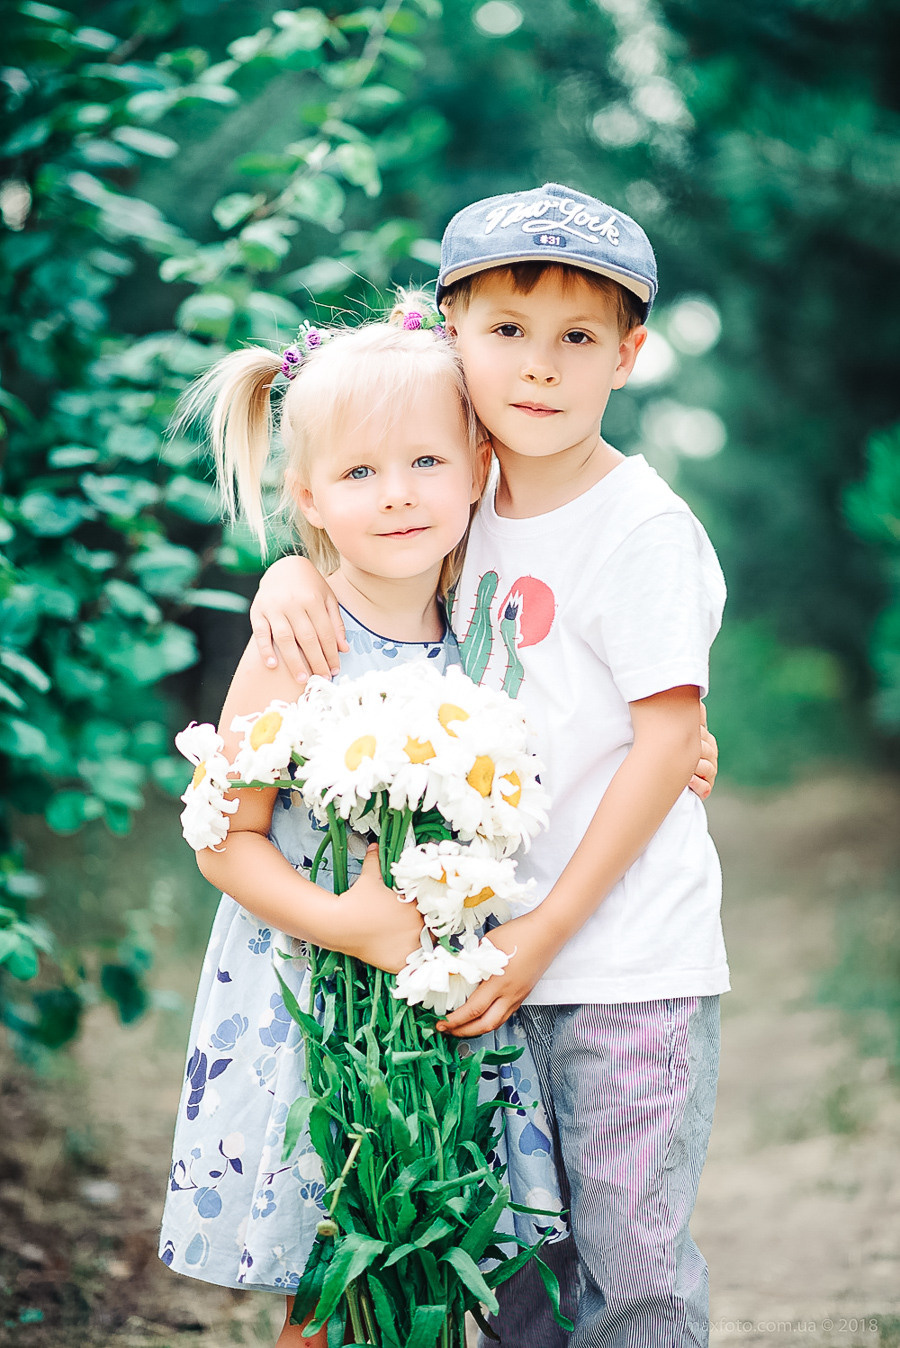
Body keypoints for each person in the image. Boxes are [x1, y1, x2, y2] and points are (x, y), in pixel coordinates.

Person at [248, 182, 728, 1348]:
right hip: (474, 962)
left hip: (620, 962)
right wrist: (289, 573)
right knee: (511, 1263)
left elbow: (667, 738)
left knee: (630, 1258)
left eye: (577, 337)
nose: (540, 368)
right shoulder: (462, 502)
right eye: (507, 331)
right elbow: (363, 557)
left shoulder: (643, 529)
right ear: (450, 332)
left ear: (630, 353)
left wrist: (549, 928)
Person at [157, 313, 570, 1347]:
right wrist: (354, 923)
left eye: (427, 459)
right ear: (308, 499)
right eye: (359, 474)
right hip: (321, 1000)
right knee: (339, 1264)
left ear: (479, 467)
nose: (397, 493)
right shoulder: (299, 635)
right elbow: (223, 837)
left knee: (434, 1245)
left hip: (437, 1010)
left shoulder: (483, 624)